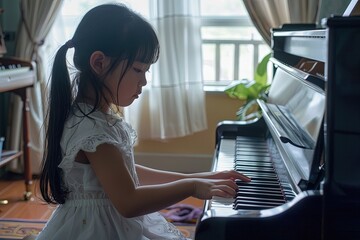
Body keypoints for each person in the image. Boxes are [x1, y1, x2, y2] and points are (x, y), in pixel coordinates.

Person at [36, 3, 250, 240]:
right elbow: (128, 203)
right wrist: (192, 187)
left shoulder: (92, 117)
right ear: (99, 63)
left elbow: (124, 173)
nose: (144, 81)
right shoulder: (92, 128)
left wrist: (198, 177)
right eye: (139, 69)